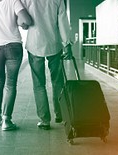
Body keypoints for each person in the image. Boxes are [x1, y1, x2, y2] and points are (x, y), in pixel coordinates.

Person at [0, 0, 33, 131]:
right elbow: (27, 20)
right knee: (10, 83)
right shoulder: (14, 1)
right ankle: (6, 120)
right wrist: (18, 23)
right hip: (13, 46)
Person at [21, 0, 73, 130]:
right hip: (54, 43)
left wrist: (25, 25)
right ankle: (60, 114)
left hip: (35, 44)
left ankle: (44, 120)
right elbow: (62, 21)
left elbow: (23, 22)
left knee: (39, 84)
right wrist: (67, 44)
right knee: (57, 81)